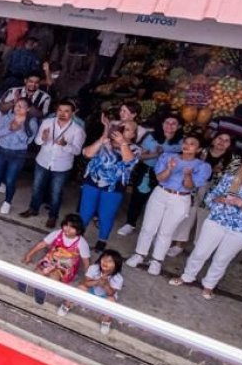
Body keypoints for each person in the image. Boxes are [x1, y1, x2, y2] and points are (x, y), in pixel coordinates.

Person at [171, 156, 242, 299]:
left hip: (241, 231)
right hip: (216, 222)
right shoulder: (230, 179)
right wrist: (219, 199)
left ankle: (209, 285)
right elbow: (209, 198)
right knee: (200, 252)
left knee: (222, 259)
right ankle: (187, 276)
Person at [126, 135, 210, 276]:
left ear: (199, 149)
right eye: (186, 142)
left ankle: (156, 260)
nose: (187, 145)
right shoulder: (168, 157)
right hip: (161, 193)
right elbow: (160, 178)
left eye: (192, 144)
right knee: (148, 227)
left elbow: (189, 187)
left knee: (166, 231)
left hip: (180, 198)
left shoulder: (202, 166)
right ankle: (140, 254)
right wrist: (170, 169)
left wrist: (188, 175)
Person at [170, 132, 240, 256]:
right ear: (213, 139)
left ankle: (199, 248)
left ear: (230, 145)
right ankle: (178, 244)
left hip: (215, 191)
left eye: (226, 140)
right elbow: (190, 166)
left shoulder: (235, 159)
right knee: (188, 214)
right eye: (219, 138)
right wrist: (212, 170)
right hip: (194, 186)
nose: (222, 142)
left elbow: (230, 180)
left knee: (205, 219)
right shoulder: (202, 151)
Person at [22, 99, 86, 228]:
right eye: (60, 110)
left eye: (66, 111)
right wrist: (43, 138)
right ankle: (33, 209)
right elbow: (37, 141)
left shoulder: (78, 130)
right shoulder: (47, 122)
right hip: (43, 161)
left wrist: (65, 145)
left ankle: (53, 216)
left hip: (62, 166)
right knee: (37, 187)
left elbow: (77, 151)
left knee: (56, 192)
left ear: (73, 113)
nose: (62, 113)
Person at [117, 114, 184, 237]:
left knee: (160, 202)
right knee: (138, 197)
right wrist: (154, 154)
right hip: (147, 170)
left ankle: (154, 230)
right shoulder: (151, 136)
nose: (169, 125)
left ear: (179, 126)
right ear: (162, 124)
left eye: (173, 123)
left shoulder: (182, 142)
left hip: (169, 174)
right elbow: (139, 155)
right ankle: (130, 223)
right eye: (167, 122)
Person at [79, 120, 141, 251]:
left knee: (106, 215)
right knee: (85, 211)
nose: (124, 130)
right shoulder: (104, 142)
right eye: (123, 127)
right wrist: (102, 139)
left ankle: (102, 240)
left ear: (133, 134)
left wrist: (123, 143)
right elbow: (87, 153)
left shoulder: (135, 149)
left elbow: (129, 161)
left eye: (129, 129)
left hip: (114, 187)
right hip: (93, 181)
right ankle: (77, 235)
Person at [0, 98, 37, 214]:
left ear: (28, 109)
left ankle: (7, 202)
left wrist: (18, 129)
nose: (18, 107)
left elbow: (28, 141)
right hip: (1, 150)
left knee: (10, 179)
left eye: (22, 106)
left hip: (18, 154)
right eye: (16, 105)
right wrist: (10, 128)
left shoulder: (31, 121)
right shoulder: (7, 117)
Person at [21, 214, 90, 306]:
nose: (67, 229)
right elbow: (42, 244)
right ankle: (29, 284)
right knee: (40, 270)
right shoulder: (57, 233)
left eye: (72, 227)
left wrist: (87, 279)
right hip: (52, 258)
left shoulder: (82, 242)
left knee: (55, 275)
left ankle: (43, 291)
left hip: (67, 265)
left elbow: (86, 263)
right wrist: (29, 255)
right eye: (66, 225)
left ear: (79, 230)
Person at [59, 248, 124, 335]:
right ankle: (66, 306)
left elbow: (110, 293)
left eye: (110, 261)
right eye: (104, 259)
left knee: (111, 301)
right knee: (80, 288)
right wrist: (97, 282)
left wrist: (105, 284)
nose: (105, 262)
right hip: (91, 290)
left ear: (116, 265)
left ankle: (106, 321)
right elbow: (85, 283)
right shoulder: (94, 268)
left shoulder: (118, 278)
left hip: (104, 296)